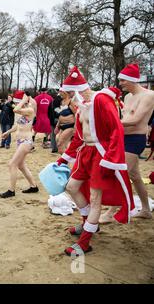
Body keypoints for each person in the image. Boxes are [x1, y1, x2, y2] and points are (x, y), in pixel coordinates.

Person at [56, 66, 135, 255]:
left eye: (68, 92)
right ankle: (88, 224)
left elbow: (117, 129)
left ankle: (84, 243)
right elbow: (78, 137)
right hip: (86, 154)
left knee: (95, 199)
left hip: (101, 154)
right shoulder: (80, 106)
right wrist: (64, 158)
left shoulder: (101, 99)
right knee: (71, 187)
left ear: (76, 89)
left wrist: (111, 160)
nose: (66, 97)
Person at [100, 63, 154, 222]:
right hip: (122, 137)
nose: (120, 83)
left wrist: (110, 122)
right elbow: (124, 118)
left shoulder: (149, 95)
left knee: (118, 174)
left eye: (123, 80)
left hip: (135, 139)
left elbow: (136, 120)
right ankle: (145, 210)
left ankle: (110, 212)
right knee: (135, 176)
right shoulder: (128, 97)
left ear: (131, 80)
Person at [0, 91, 39, 198]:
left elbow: (15, 109)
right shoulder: (23, 111)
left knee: (12, 164)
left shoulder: (29, 110)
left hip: (26, 141)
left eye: (17, 102)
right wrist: (7, 132)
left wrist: (23, 100)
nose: (16, 104)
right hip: (20, 141)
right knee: (21, 165)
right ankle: (33, 186)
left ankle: (11, 190)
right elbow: (18, 126)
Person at [55, 89, 77, 154]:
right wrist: (57, 126)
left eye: (61, 93)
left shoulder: (71, 102)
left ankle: (65, 160)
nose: (60, 94)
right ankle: (67, 159)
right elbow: (60, 115)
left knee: (60, 143)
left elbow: (76, 114)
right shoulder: (62, 102)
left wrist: (76, 127)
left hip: (70, 126)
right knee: (60, 143)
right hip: (62, 126)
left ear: (65, 93)